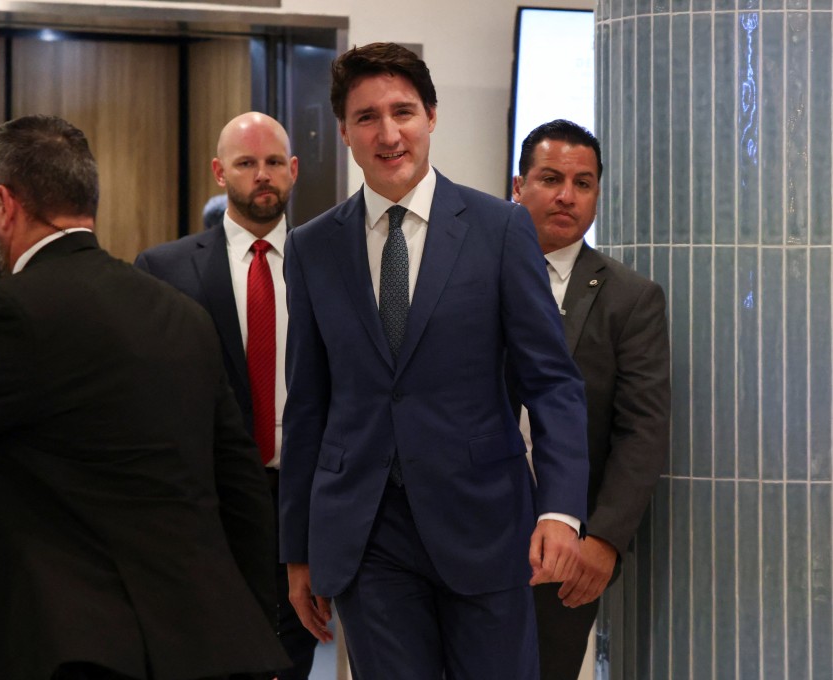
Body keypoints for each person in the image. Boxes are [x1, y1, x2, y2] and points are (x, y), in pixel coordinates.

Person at [0, 115, 289, 680]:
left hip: (86, 651)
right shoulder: (180, 314)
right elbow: (241, 491)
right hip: (218, 646)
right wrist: (259, 634)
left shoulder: (1, 313)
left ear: (4, 204)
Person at [279, 43, 590, 680]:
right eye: (367, 117)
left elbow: (553, 382)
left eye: (403, 112)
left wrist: (560, 510)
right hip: (367, 535)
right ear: (344, 131)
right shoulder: (312, 248)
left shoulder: (500, 229)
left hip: (485, 523)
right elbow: (307, 405)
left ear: (431, 117)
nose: (388, 134)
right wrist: (299, 549)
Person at [135, 111, 319, 680]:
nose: (261, 175)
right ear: (220, 172)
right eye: (245, 163)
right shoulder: (164, 270)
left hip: (309, 498)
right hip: (208, 505)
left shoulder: (334, 263)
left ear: (292, 171)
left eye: (272, 163)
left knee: (295, 656)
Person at [511, 119, 671, 680]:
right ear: (518, 186)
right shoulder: (473, 277)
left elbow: (643, 430)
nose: (566, 196)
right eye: (551, 178)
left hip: (568, 551)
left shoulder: (631, 298)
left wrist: (602, 541)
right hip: (467, 529)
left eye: (584, 183)